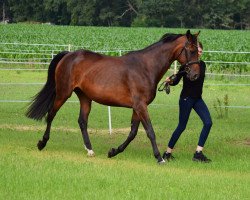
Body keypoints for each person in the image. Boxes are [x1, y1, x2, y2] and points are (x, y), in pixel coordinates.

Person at [162, 42, 212, 163]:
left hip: (198, 99)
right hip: (186, 99)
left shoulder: (203, 65)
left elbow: (198, 78)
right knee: (182, 126)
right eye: (197, 51)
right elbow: (176, 81)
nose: (199, 53)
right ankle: (167, 153)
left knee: (208, 122)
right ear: (193, 52)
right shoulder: (185, 66)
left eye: (200, 51)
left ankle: (198, 153)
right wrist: (169, 81)